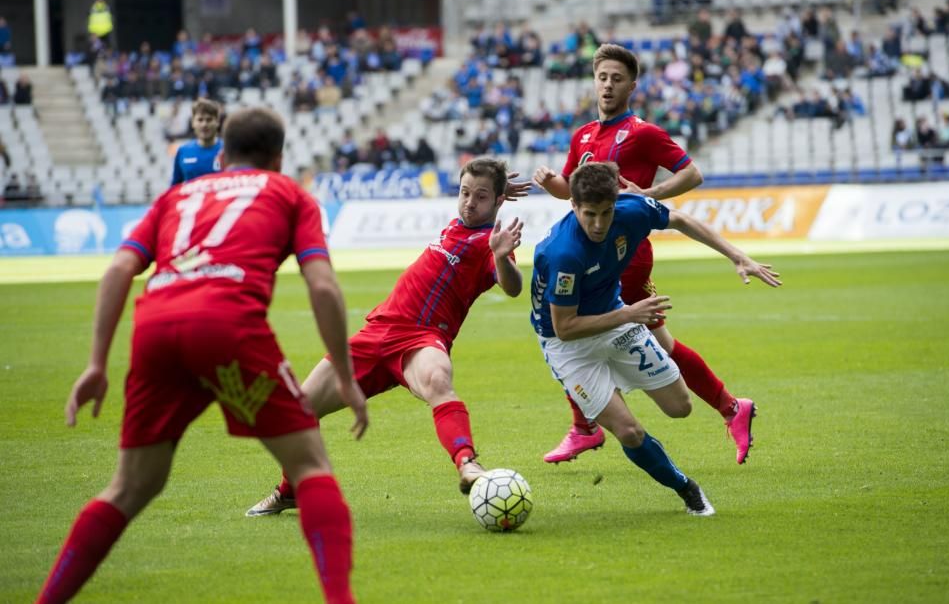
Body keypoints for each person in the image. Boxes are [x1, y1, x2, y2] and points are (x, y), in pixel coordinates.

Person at [36, 107, 368, 604]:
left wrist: (97, 364)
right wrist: (344, 375)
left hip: (155, 335)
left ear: (220, 154)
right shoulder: (290, 194)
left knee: (130, 486)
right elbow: (322, 285)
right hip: (227, 332)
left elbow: (119, 269)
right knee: (310, 467)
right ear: (278, 157)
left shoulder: (176, 196)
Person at [246, 157, 529, 516]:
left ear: (499, 201)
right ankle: (291, 491)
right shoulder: (457, 224)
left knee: (438, 380)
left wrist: (502, 256)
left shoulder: (488, 243)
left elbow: (512, 286)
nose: (470, 203)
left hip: (421, 339)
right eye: (465, 193)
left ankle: (467, 463)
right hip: (376, 331)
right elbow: (479, 195)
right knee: (302, 408)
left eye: (481, 197)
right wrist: (495, 190)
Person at [533, 43, 760, 465]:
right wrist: (553, 185)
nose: (608, 85)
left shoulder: (642, 133)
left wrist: (650, 193)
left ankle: (587, 427)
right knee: (645, 340)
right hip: (591, 247)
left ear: (632, 86)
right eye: (602, 77)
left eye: (617, 79)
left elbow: (693, 173)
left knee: (573, 328)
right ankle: (731, 408)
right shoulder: (582, 135)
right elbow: (574, 194)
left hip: (624, 254)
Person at [531, 163, 781, 515]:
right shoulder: (564, 252)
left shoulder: (631, 211)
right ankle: (686, 488)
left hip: (616, 317)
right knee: (629, 431)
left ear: (617, 203)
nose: (599, 224)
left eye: (606, 212)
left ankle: (607, 392)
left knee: (680, 407)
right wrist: (630, 315)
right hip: (570, 346)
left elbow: (679, 219)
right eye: (589, 214)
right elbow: (565, 328)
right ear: (573, 206)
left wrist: (737, 256)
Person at [170, 98, 223, 185]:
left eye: (209, 120)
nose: (204, 124)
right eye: (200, 120)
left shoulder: (228, 150)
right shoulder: (183, 151)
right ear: (193, 123)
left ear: (217, 122)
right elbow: (175, 187)